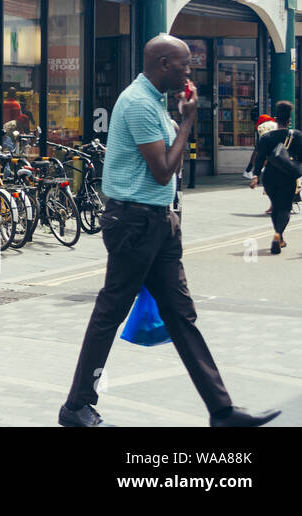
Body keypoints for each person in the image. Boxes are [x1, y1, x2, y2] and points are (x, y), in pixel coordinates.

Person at [60, 34, 280, 427]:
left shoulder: (156, 104)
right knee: (110, 311)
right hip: (134, 222)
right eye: (184, 64)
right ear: (163, 63)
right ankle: (76, 405)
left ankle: (222, 410)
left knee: (181, 315)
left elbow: (169, 169)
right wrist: (189, 121)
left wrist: (179, 124)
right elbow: (164, 170)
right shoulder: (139, 103)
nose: (189, 70)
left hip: (157, 221)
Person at [250, 101, 300, 255]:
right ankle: (278, 235)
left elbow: (259, 158)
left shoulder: (266, 137)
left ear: (276, 119)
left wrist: (255, 176)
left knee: (276, 207)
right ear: (289, 120)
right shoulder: (297, 136)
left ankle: (280, 236)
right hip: (288, 177)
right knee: (284, 208)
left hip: (270, 177)